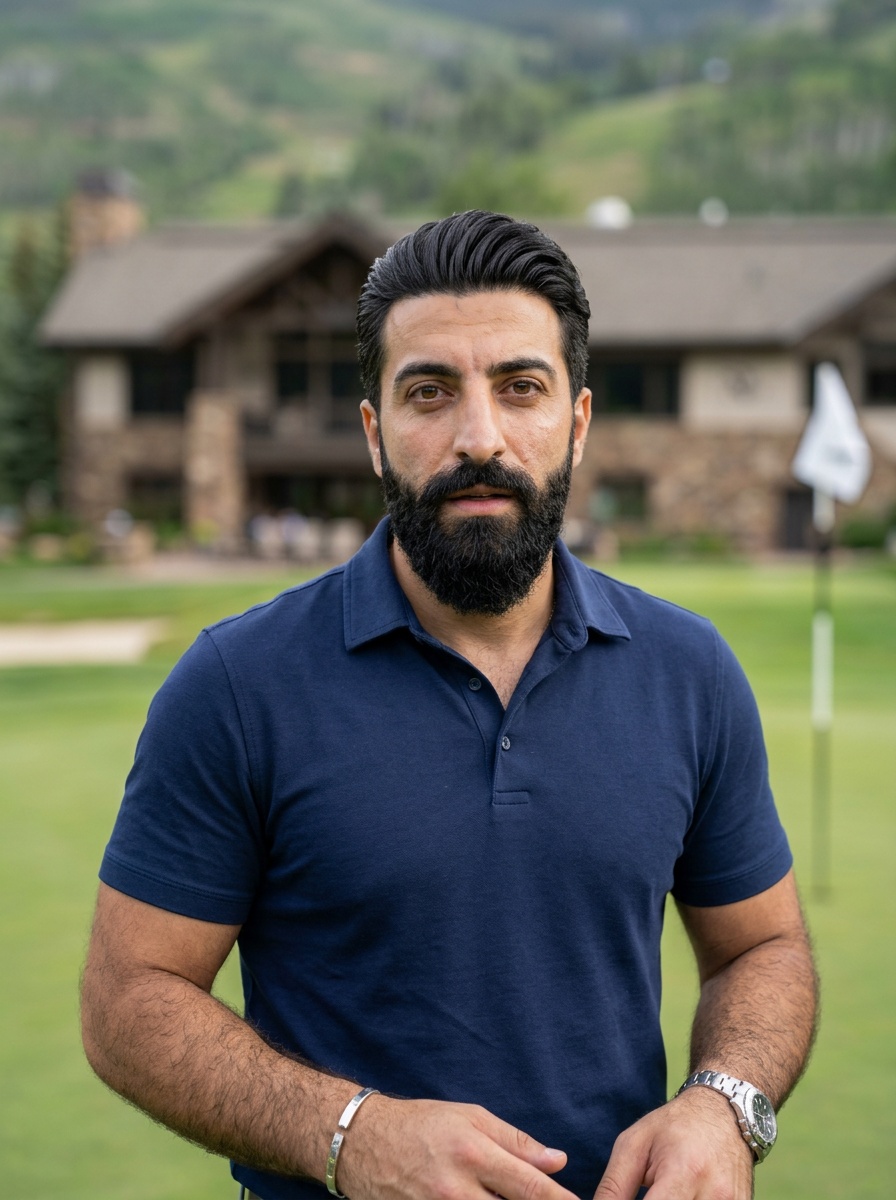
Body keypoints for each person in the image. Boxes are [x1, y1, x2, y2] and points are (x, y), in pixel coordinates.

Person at [81, 210, 818, 1200]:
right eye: (429, 392)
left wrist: (724, 1104)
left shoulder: (689, 673)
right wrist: (349, 1134)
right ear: (375, 433)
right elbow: (128, 1000)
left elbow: (762, 948)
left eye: (520, 387)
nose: (479, 437)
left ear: (577, 421)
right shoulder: (235, 687)